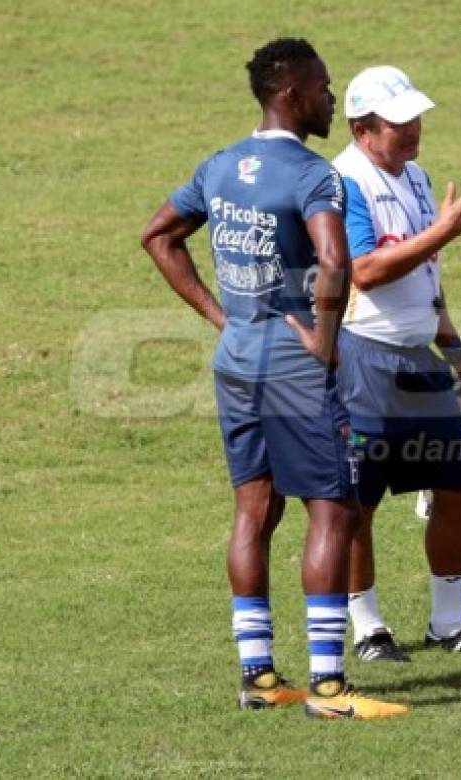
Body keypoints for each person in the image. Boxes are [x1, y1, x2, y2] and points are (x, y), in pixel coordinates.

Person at [139, 38, 407, 719]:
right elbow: (335, 263)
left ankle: (257, 676)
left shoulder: (222, 166)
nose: (329, 97)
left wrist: (221, 317)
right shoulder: (316, 177)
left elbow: (159, 236)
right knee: (332, 509)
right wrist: (323, 342)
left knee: (254, 512)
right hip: (294, 372)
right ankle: (327, 687)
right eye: (321, 87)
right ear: (290, 94)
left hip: (237, 366)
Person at [330, 65, 461, 661]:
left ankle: (448, 623)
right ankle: (369, 629)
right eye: (398, 123)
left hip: (420, 358)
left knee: (460, 486)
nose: (413, 132)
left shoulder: (416, 176)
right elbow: (366, 271)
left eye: (416, 119)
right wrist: (444, 231)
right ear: (361, 128)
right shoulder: (343, 182)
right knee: (359, 502)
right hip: (362, 357)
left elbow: (426, 281)